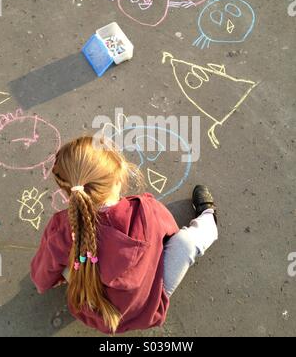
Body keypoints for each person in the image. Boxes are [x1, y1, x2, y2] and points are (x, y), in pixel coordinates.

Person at [31, 136, 218, 334]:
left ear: (69, 192)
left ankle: (81, 274)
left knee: (68, 261)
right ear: (118, 180)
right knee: (186, 242)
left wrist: (45, 283)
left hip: (96, 312)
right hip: (146, 307)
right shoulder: (146, 210)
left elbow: (43, 270)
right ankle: (209, 220)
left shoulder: (61, 229)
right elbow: (170, 232)